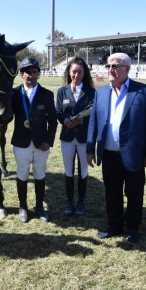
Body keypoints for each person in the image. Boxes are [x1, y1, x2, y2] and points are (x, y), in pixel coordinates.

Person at [86, 52, 146, 243]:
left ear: (127, 69)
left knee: (134, 193)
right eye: (108, 66)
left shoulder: (144, 92)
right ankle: (114, 225)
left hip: (134, 154)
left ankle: (133, 227)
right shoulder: (101, 92)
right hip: (109, 154)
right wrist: (89, 149)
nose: (110, 69)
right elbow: (93, 122)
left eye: (115, 66)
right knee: (111, 192)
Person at [11, 57, 57, 223]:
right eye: (26, 72)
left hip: (41, 143)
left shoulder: (47, 94)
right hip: (21, 142)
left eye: (34, 72)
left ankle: (39, 207)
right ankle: (23, 207)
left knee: (39, 174)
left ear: (38, 74)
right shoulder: (14, 94)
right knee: (22, 174)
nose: (30, 75)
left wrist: (49, 140)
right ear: (21, 74)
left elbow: (52, 121)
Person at [56, 57, 95, 217]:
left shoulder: (92, 92)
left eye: (79, 72)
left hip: (84, 138)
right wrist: (65, 121)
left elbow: (94, 115)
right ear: (69, 72)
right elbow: (58, 111)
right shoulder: (62, 91)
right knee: (68, 170)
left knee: (83, 171)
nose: (76, 75)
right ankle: (70, 201)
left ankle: (81, 202)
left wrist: (82, 121)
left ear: (84, 73)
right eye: (74, 72)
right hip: (67, 137)